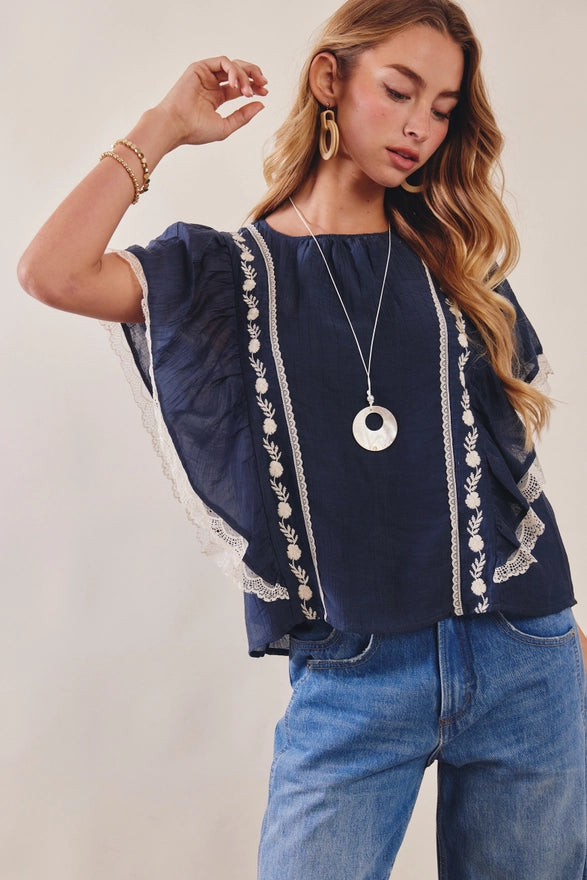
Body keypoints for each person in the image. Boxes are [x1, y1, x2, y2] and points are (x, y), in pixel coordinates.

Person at [17, 0, 587, 876]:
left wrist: (569, 651)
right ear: (331, 79)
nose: (419, 127)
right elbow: (53, 272)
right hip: (355, 674)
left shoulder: (457, 264)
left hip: (529, 660)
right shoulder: (227, 275)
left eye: (442, 109)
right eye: (399, 91)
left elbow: (508, 470)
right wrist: (163, 125)